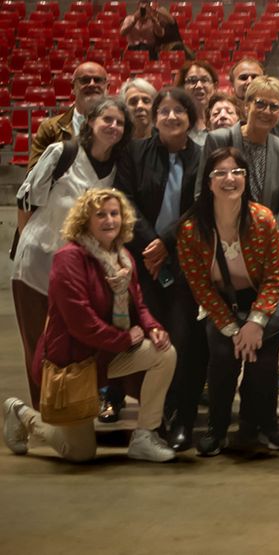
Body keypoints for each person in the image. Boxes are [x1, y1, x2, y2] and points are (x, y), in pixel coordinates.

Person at [2, 188, 177, 463]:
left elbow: (139, 304)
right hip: (72, 363)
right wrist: (125, 340)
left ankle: (145, 436)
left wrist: (153, 327)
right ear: (85, 220)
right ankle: (22, 414)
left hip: (107, 354)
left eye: (115, 213)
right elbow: (81, 324)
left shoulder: (123, 258)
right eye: (101, 215)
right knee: (79, 452)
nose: (110, 220)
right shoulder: (69, 258)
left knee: (163, 353)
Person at [13, 98, 132, 408]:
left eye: (120, 122)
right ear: (90, 121)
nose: (113, 126)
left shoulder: (118, 167)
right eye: (107, 119)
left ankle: (70, 413)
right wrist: (30, 244)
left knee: (69, 346)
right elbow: (26, 201)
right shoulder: (62, 153)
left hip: (75, 273)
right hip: (36, 265)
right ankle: (40, 416)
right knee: (38, 349)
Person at [177, 148, 279, 456]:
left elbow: (274, 276)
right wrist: (233, 329)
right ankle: (217, 428)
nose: (230, 179)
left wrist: (255, 322)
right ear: (208, 182)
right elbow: (200, 286)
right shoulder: (191, 229)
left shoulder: (263, 219)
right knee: (222, 359)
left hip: (263, 300)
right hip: (220, 303)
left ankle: (265, 425)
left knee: (263, 364)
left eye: (237, 172)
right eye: (221, 173)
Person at [114, 87, 202, 450]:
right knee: (153, 340)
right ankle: (156, 416)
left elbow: (201, 205)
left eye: (179, 110)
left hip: (185, 262)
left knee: (182, 339)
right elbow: (125, 200)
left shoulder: (201, 156)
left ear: (190, 118)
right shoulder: (134, 152)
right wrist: (152, 245)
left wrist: (166, 242)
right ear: (154, 117)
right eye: (163, 110)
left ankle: (182, 416)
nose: (171, 116)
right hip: (143, 262)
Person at [202, 76, 279, 216]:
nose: (267, 111)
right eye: (260, 104)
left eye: (274, 107)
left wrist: (267, 226)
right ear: (246, 106)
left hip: (268, 227)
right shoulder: (218, 140)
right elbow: (201, 193)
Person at [29, 61, 108, 169]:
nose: (92, 84)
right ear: (72, 87)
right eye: (85, 80)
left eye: (98, 80)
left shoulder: (118, 128)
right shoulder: (50, 128)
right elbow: (34, 173)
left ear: (107, 87)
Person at [229, 58, 279, 148]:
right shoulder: (223, 119)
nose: (250, 81)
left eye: (255, 77)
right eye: (243, 78)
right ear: (232, 85)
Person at [176, 60, 218, 134]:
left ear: (214, 86)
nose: (199, 86)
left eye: (204, 80)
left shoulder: (223, 117)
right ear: (182, 87)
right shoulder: (176, 121)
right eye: (192, 81)